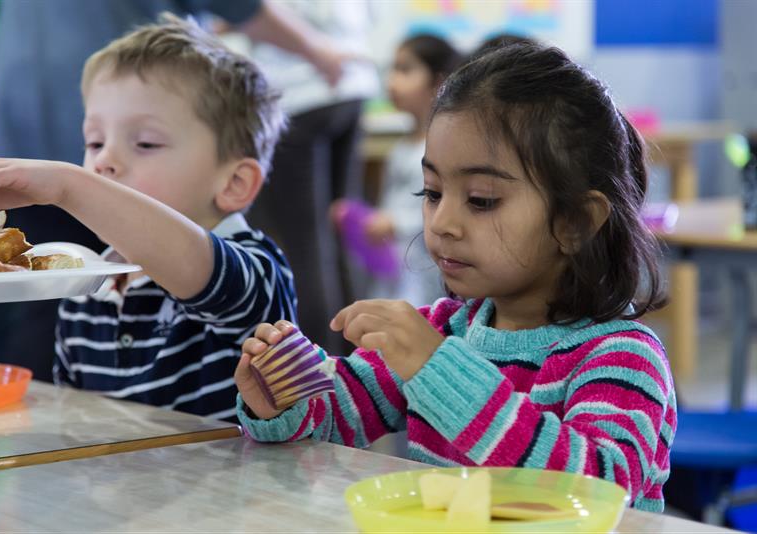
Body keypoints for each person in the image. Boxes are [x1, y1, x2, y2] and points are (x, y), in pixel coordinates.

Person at [234, 42, 677, 511]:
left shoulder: (621, 357)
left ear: (576, 223)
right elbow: (329, 418)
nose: (442, 222)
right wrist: (282, 398)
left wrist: (439, 371)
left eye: (482, 199)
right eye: (432, 192)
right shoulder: (445, 332)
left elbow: (596, 493)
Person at [0, 0, 346, 380]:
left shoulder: (257, 269)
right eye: (94, 143)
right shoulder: (87, 292)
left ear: (234, 183)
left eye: (146, 143)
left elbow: (198, 271)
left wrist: (71, 186)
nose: (103, 163)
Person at [244, 0, 380, 354]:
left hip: (299, 92)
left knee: (303, 245)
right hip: (351, 85)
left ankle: (321, 363)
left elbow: (245, 11)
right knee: (340, 230)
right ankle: (358, 357)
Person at [339, 34, 461, 307]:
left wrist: (395, 222)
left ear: (438, 82)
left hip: (421, 267)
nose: (392, 81)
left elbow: (441, 207)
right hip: (393, 263)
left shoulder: (443, 151)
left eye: (405, 70)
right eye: (392, 70)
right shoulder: (400, 147)